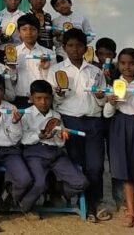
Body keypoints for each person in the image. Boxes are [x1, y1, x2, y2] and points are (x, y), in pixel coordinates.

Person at [49, 28, 109, 221]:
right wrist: (59, 93)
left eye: (79, 45)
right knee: (77, 163)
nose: (75, 49)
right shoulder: (56, 70)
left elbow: (103, 98)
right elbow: (53, 100)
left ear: (85, 48)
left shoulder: (95, 71)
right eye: (70, 45)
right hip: (70, 119)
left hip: (93, 120)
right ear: (64, 47)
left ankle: (95, 202)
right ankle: (78, 201)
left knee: (96, 166)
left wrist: (101, 98)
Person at [20, 80, 88, 216]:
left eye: (47, 98)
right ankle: (25, 206)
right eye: (38, 98)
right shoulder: (25, 114)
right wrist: (40, 136)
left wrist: (61, 136)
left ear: (51, 98)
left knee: (81, 182)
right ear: (31, 98)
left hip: (55, 154)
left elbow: (60, 143)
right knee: (40, 184)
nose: (43, 102)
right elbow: (22, 139)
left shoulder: (56, 116)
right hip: (34, 153)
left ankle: (55, 192)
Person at [103, 48, 134, 229]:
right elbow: (107, 114)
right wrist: (112, 102)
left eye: (132, 63)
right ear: (119, 65)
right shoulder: (115, 85)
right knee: (126, 170)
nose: (127, 67)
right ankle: (130, 210)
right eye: (123, 63)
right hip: (120, 127)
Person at [0, 72, 35, 218]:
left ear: (4, 90)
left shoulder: (11, 107)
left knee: (25, 179)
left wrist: (15, 123)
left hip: (10, 151)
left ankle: (8, 195)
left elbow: (16, 138)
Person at [12, 14, 52, 108]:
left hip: (42, 100)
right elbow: (11, 80)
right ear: (19, 32)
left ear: (38, 31)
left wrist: (45, 69)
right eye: (24, 29)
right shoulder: (13, 53)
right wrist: (12, 68)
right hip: (21, 98)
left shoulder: (48, 53)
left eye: (33, 29)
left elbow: (52, 80)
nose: (29, 32)